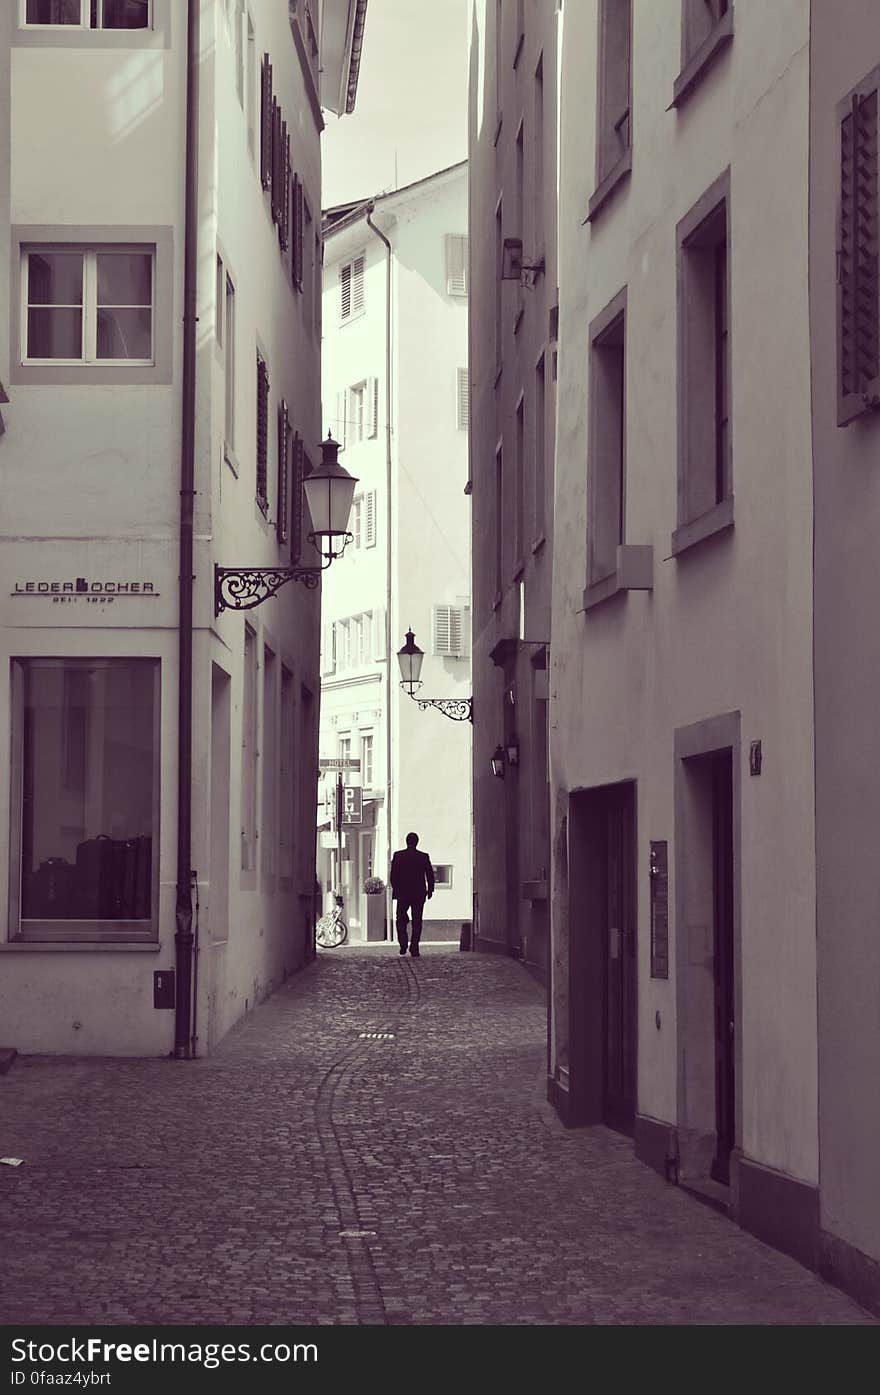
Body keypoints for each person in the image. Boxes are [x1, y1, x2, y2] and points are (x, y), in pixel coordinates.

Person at [389, 832, 434, 957]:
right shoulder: (423, 856)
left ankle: (403, 943)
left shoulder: (398, 856)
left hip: (403, 893)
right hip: (418, 893)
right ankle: (414, 947)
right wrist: (430, 890)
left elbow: (393, 876)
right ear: (417, 842)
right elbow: (430, 874)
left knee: (400, 919)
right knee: (417, 921)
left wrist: (397, 889)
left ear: (406, 841)